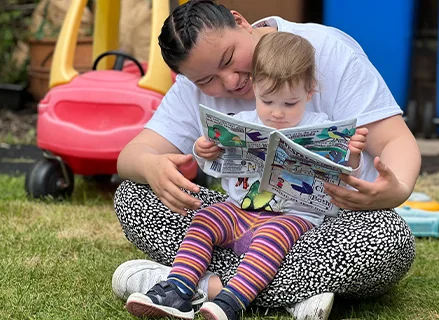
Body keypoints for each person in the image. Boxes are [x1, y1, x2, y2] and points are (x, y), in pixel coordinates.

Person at [112, 0, 420, 319]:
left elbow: (395, 139)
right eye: (207, 81)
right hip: (244, 215)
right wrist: (151, 165)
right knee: (134, 196)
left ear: (241, 21)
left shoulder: (326, 50)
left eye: (229, 58)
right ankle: (286, 294)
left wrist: (397, 189)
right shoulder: (190, 87)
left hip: (329, 228)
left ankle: (195, 284)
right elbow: (133, 155)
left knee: (389, 238)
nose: (230, 81)